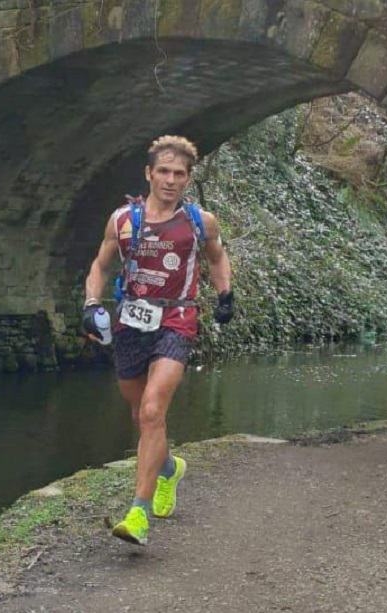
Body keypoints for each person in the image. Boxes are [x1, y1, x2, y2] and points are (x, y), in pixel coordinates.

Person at [82, 135, 234, 545]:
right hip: (131, 321)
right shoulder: (123, 221)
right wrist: (91, 302)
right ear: (149, 174)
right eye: (163, 172)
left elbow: (217, 256)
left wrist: (225, 294)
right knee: (140, 415)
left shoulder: (200, 222)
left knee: (152, 412)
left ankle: (138, 514)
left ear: (188, 180)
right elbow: (99, 265)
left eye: (179, 174)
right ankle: (168, 468)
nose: (170, 180)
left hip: (177, 317)